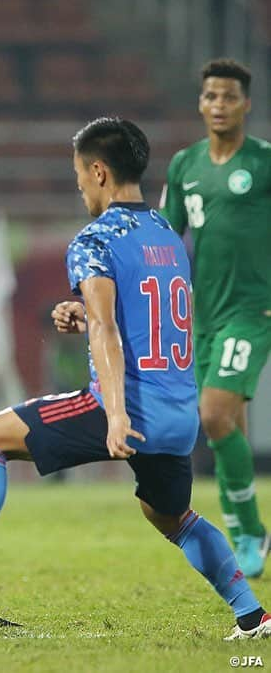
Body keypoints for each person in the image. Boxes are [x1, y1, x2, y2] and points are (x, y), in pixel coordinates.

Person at [0, 117, 271, 640]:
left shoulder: (95, 238)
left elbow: (109, 329)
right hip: (178, 413)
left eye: (77, 175)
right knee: (170, 515)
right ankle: (253, 615)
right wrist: (82, 311)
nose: (78, 186)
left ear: (97, 171)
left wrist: (113, 413)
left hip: (126, 406)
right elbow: (144, 313)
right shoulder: (166, 232)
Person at [160, 58, 271, 578]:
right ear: (201, 104)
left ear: (246, 104)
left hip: (251, 312)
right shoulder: (185, 166)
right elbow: (166, 240)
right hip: (202, 316)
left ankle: (247, 528)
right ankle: (243, 524)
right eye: (211, 97)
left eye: (229, 97)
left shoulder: (264, 163)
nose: (220, 105)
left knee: (213, 415)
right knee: (229, 424)